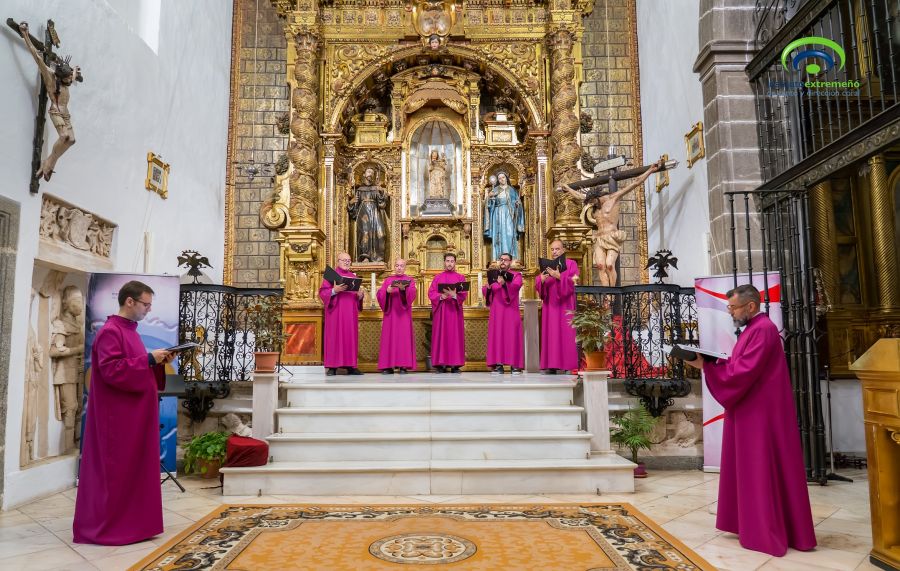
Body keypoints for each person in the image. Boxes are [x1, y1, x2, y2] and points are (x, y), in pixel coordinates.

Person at [685, 284, 816, 557]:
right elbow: (737, 364)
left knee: (759, 467)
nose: (730, 311)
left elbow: (742, 372)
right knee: (750, 468)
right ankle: (749, 523)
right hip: (750, 407)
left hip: (759, 413)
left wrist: (707, 366)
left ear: (751, 306)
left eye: (733, 307)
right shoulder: (754, 329)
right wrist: (713, 363)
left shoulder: (763, 330)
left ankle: (764, 529)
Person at [73, 280, 175, 545]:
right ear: (129, 301)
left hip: (134, 415)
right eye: (145, 304)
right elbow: (111, 370)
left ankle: (136, 525)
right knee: (118, 472)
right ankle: (113, 527)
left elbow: (132, 364)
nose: (148, 310)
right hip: (117, 419)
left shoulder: (130, 331)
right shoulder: (110, 331)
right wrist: (150, 359)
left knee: (136, 469)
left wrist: (157, 361)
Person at [561, 162, 659, 286]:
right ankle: (607, 295)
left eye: (592, 201)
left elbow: (635, 183)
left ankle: (612, 292)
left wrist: (650, 170)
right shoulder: (592, 202)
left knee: (609, 265)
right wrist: (568, 189)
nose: (591, 204)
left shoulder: (613, 198)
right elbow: (579, 196)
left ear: (597, 197)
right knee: (600, 265)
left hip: (612, 236)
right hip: (599, 238)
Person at [18, 22, 81, 181]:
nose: (70, 81)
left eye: (70, 78)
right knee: (64, 136)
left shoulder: (66, 79)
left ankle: (50, 161)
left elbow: (72, 77)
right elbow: (36, 55)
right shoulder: (50, 76)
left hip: (65, 112)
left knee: (72, 140)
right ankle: (48, 164)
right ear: (60, 77)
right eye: (67, 79)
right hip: (56, 110)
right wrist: (25, 34)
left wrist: (75, 71)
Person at [535, 240, 579, 374]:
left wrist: (558, 276)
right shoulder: (547, 266)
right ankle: (551, 365)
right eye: (552, 249)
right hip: (550, 306)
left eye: (557, 249)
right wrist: (540, 280)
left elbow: (575, 282)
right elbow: (539, 285)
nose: (554, 252)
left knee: (566, 334)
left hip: (565, 305)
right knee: (551, 334)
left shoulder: (571, 264)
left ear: (563, 250)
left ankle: (568, 366)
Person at [49, 285, 85, 453]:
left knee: (78, 407)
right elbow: (54, 351)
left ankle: (75, 442)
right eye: (77, 301)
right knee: (70, 407)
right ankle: (68, 447)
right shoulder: (61, 324)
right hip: (65, 372)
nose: (80, 304)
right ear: (67, 303)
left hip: (78, 370)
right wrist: (77, 349)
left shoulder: (78, 325)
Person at [318, 253, 366, 375]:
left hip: (350, 314)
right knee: (334, 337)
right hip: (335, 313)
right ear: (338, 261)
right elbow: (323, 293)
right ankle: (332, 367)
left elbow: (355, 297)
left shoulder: (353, 277)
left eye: (349, 260)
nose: (346, 262)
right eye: (344, 260)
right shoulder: (331, 275)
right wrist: (334, 290)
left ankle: (351, 366)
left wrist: (360, 296)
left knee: (349, 338)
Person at [483, 253, 523, 374]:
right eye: (501, 259)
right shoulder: (494, 275)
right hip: (497, 311)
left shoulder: (517, 275)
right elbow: (488, 292)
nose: (503, 262)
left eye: (506, 260)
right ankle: (498, 365)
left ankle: (514, 366)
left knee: (512, 336)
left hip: (511, 311)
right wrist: (488, 288)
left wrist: (504, 284)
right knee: (498, 336)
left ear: (510, 262)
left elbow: (516, 287)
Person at [428, 252, 467, 373]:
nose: (449, 263)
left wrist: (455, 295)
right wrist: (441, 296)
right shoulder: (437, 277)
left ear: (455, 263)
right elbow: (431, 293)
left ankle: (455, 365)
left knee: (455, 336)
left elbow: (464, 294)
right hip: (442, 312)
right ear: (444, 262)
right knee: (441, 336)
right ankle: (441, 364)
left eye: (452, 261)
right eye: (447, 261)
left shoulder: (460, 278)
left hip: (454, 312)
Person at [377, 259, 417, 374]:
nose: (399, 268)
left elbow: (413, 294)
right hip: (391, 314)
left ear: (405, 268)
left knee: (403, 339)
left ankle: (403, 366)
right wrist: (387, 292)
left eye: (401, 266)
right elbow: (380, 295)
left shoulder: (410, 280)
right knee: (389, 338)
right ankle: (388, 366)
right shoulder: (388, 280)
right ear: (394, 267)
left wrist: (403, 290)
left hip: (403, 315)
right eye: (397, 265)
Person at [347, 167, 388, 262]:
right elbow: (354, 209)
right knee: (365, 234)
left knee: (381, 234)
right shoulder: (359, 190)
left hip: (375, 213)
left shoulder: (376, 189)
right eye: (369, 171)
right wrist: (351, 203)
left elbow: (382, 204)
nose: (371, 173)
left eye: (372, 172)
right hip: (363, 214)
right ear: (364, 174)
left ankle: (378, 258)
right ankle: (365, 256)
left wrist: (382, 193)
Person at [483, 172, 525, 261]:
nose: (502, 179)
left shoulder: (512, 190)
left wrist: (518, 204)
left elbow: (518, 204)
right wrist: (490, 198)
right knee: (498, 235)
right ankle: (498, 258)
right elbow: (488, 206)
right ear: (497, 180)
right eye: (499, 178)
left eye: (503, 177)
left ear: (506, 178)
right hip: (497, 214)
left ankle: (510, 257)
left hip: (509, 214)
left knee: (509, 234)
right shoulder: (495, 190)